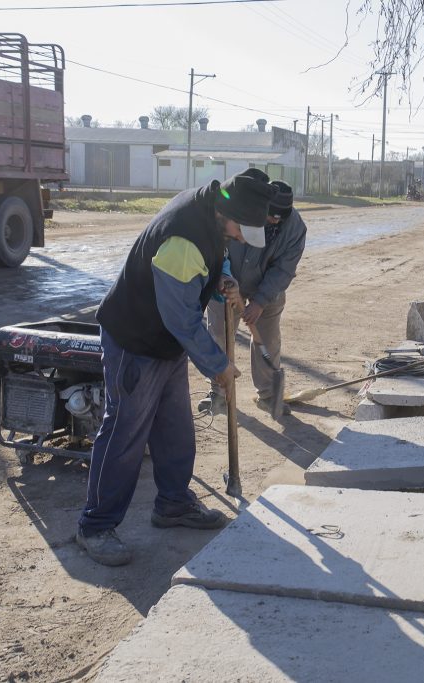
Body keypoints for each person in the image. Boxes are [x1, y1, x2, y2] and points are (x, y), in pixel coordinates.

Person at [76, 169, 277, 566]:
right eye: (240, 230)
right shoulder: (184, 237)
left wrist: (222, 276)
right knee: (124, 435)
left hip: (166, 346)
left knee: (175, 431)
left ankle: (172, 504)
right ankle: (95, 526)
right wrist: (218, 365)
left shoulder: (210, 208)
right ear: (227, 212)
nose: (239, 238)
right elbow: (180, 317)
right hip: (136, 341)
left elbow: (211, 255)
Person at [199, 180, 307, 417]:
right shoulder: (238, 209)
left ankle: (268, 395)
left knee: (267, 339)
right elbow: (218, 243)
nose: (275, 221)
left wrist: (260, 302)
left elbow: (284, 270)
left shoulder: (295, 228)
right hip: (227, 279)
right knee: (219, 333)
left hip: (267, 286)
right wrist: (223, 276)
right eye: (271, 216)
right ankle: (219, 392)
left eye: (280, 218)